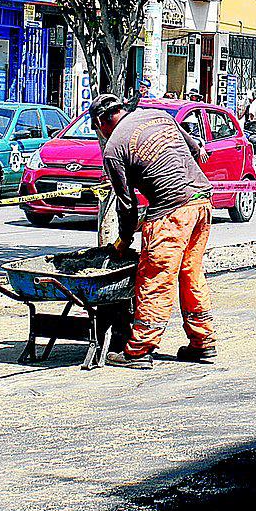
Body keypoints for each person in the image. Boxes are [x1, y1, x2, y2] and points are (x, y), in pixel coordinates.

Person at [90, 93, 217, 369]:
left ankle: (139, 351)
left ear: (100, 122)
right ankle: (203, 343)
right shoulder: (158, 116)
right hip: (202, 202)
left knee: (155, 278)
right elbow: (195, 150)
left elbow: (126, 204)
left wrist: (124, 239)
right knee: (191, 273)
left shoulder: (114, 147)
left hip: (171, 214)